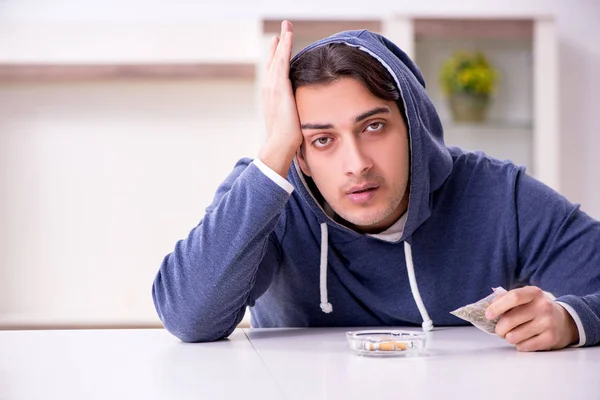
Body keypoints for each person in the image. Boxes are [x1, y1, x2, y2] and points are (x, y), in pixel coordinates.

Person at [152, 21, 600, 351]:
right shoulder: (270, 192)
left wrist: (572, 320)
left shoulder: (500, 195)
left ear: (414, 127)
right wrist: (275, 154)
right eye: (321, 140)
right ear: (300, 154)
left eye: (373, 127)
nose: (356, 164)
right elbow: (188, 317)